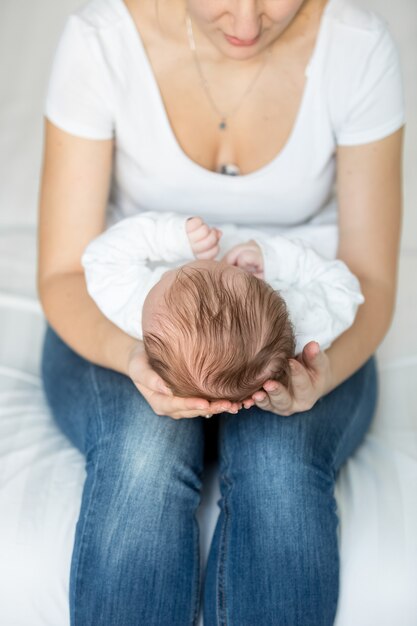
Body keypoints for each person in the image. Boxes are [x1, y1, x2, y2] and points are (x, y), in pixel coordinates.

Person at [37, 0, 404, 623]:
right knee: (142, 453)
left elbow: (368, 280)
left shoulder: (357, 48)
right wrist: (133, 356)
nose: (245, 24)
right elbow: (66, 273)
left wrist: (320, 375)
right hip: (132, 321)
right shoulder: (100, 43)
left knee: (278, 464)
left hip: (300, 321)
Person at [81, 210, 364, 401]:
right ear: (257, 281)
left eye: (166, 276)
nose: (167, 271)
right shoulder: (306, 322)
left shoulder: (136, 309)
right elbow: (344, 289)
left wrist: (172, 238)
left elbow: (102, 257)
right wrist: (273, 258)